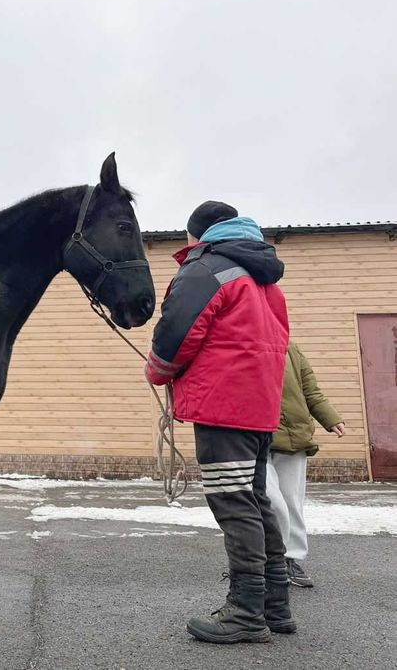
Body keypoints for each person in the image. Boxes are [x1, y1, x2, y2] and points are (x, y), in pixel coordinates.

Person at [145, 201, 293, 643]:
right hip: (259, 407)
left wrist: (158, 369)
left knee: (233, 503)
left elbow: (177, 329)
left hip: (222, 407)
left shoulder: (206, 268)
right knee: (255, 500)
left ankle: (246, 614)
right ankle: (275, 606)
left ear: (198, 235)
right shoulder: (263, 277)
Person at [267, 341, 345, 588]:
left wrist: (329, 417)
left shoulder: (290, 349)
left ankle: (291, 558)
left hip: (293, 434)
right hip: (252, 435)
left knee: (291, 501)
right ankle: (268, 558)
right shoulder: (238, 342)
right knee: (270, 499)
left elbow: (310, 390)